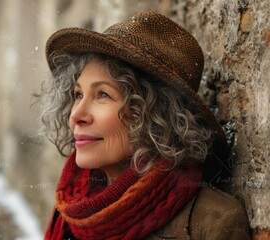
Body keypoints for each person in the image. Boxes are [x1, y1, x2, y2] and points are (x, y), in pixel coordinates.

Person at [41, 11, 250, 240]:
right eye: (78, 94)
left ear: (155, 113)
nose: (76, 115)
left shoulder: (213, 222)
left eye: (102, 95)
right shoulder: (72, 212)